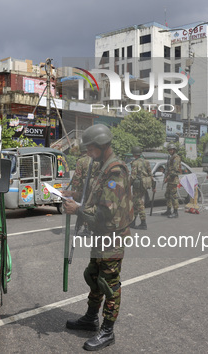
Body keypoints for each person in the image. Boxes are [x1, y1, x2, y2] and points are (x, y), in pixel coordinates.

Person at [63, 124, 133, 351]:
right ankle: (91, 318)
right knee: (93, 276)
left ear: (101, 146)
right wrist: (73, 198)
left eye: (90, 148)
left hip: (112, 237)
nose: (88, 153)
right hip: (101, 235)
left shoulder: (115, 171)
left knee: (109, 284)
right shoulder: (102, 167)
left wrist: (78, 210)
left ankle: (107, 331)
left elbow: (107, 211)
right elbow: (95, 199)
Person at [130, 146, 152, 230]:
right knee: (135, 202)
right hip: (144, 184)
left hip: (138, 185)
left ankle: (143, 223)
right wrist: (153, 186)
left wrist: (128, 184)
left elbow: (133, 175)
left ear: (134, 154)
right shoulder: (146, 162)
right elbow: (150, 174)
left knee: (139, 203)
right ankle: (132, 222)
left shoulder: (135, 163)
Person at [161, 144, 182, 218]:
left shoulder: (176, 158)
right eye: (169, 150)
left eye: (171, 150)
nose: (170, 151)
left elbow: (175, 170)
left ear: (174, 150)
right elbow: (168, 169)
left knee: (173, 196)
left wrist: (168, 177)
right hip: (170, 180)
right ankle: (168, 210)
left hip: (173, 180)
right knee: (167, 195)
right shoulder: (170, 158)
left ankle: (175, 212)